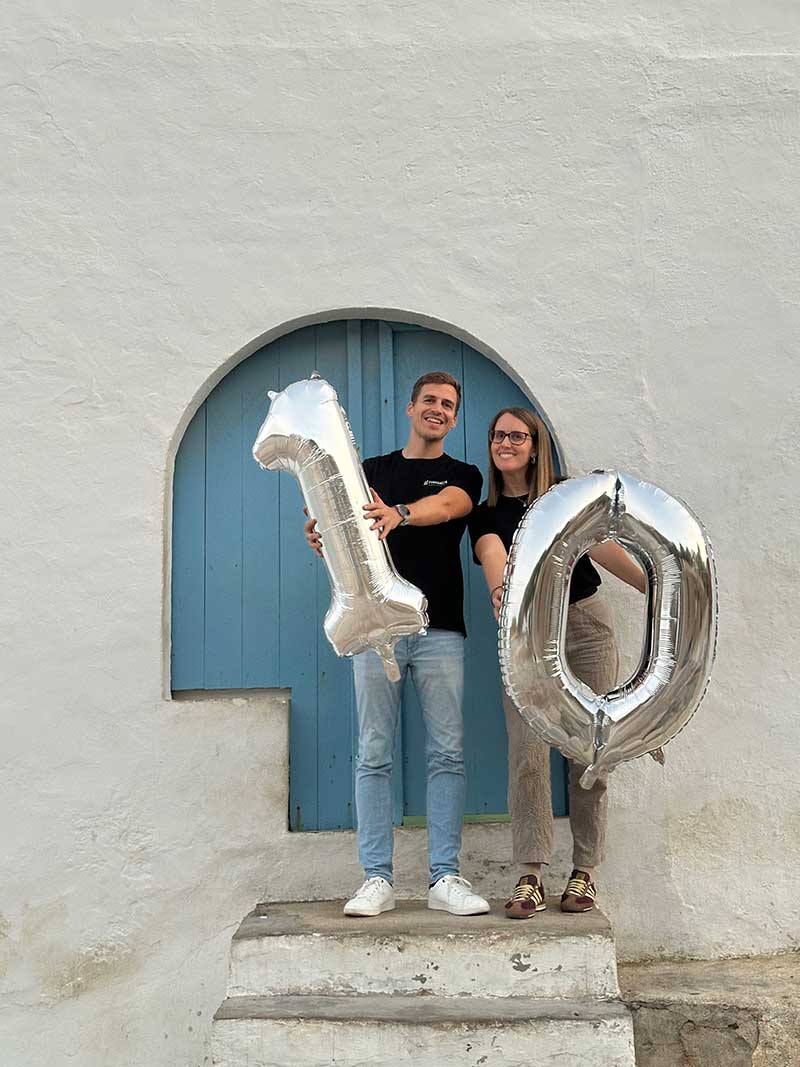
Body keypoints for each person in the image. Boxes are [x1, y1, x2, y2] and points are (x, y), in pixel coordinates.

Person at [304, 372, 489, 918]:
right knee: (374, 753)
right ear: (410, 408)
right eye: (429, 400)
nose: (438, 409)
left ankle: (444, 878)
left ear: (454, 418)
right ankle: (376, 879)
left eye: (448, 405)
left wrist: (399, 513)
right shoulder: (371, 472)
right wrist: (321, 535)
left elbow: (450, 506)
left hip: (440, 630)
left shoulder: (464, 475)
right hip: (375, 627)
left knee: (447, 753)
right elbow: (339, 522)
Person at [469, 406, 646, 918]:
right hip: (526, 633)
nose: (505, 443)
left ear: (534, 446)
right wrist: (502, 591)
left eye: (516, 436)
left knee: (592, 749)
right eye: (498, 435)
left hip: (586, 626)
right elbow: (492, 553)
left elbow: (601, 548)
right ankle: (530, 874)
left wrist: (651, 585)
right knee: (527, 753)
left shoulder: (563, 496)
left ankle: (585, 871)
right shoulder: (486, 513)